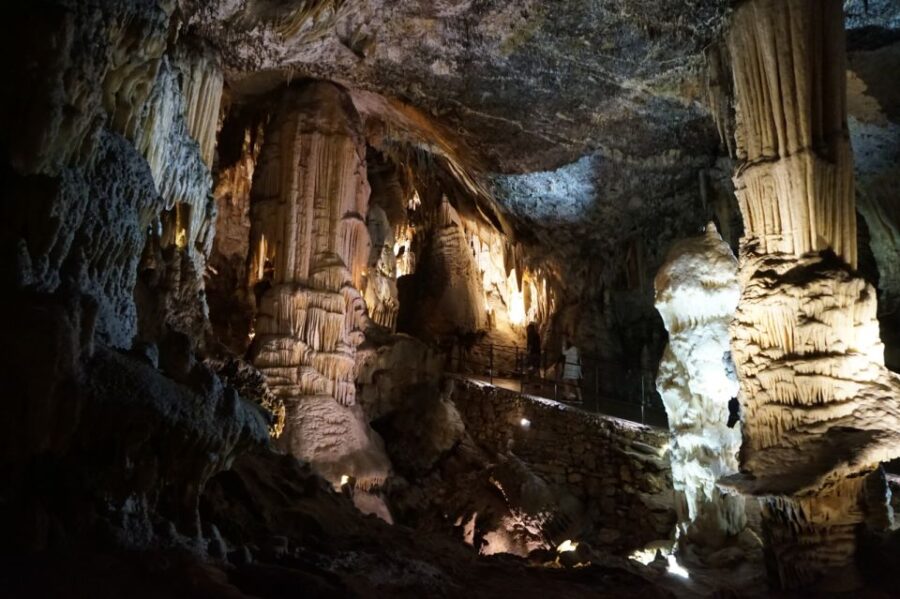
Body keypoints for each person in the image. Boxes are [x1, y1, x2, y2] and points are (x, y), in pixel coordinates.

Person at [562, 338, 583, 403]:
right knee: (575, 383)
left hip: (571, 368)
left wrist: (563, 345)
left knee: (566, 381)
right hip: (574, 368)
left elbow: (564, 353)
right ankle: (579, 397)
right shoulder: (577, 350)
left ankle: (568, 396)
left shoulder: (572, 349)